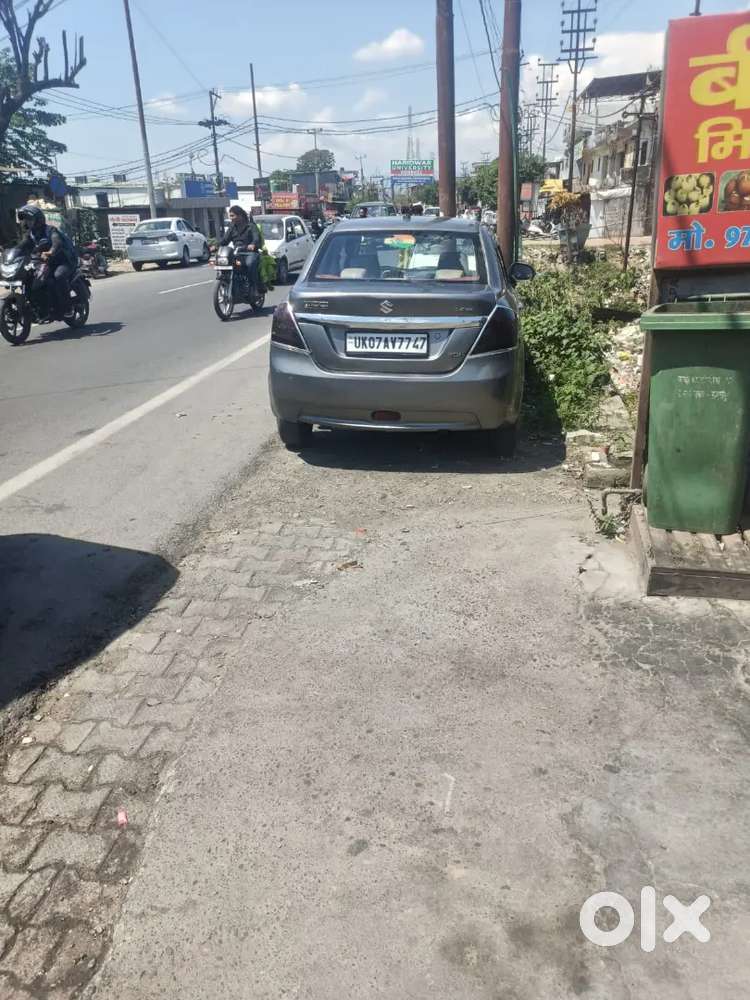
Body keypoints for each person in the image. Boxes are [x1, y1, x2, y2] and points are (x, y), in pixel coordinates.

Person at [17, 204, 78, 320]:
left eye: (30, 219)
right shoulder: (30, 235)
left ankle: (67, 307)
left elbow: (57, 242)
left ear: (38, 219)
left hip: (62, 261)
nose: (27, 222)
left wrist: (51, 252)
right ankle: (41, 307)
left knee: (58, 276)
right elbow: (21, 246)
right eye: (26, 220)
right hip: (43, 263)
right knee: (30, 278)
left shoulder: (50, 230)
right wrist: (11, 253)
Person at [220, 205, 262, 296]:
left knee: (250, 264)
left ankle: (254, 287)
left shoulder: (251, 226)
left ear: (240, 215)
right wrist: (215, 246)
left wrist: (253, 244)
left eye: (232, 215)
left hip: (250, 253)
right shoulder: (232, 227)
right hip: (236, 253)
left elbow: (256, 238)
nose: (230, 218)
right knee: (224, 264)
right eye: (230, 216)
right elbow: (225, 240)